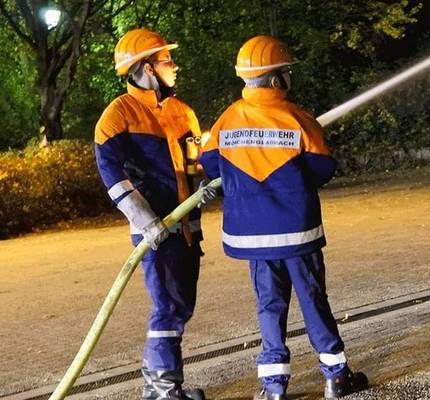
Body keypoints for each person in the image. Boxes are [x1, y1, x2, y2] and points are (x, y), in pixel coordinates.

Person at [198, 35, 368, 400]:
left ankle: (273, 386)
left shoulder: (227, 120)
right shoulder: (298, 119)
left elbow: (210, 164)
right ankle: (336, 377)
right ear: (276, 78)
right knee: (313, 300)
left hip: (253, 237)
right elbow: (322, 168)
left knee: (269, 306)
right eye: (286, 72)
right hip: (297, 233)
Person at [94, 28, 213, 400]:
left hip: (187, 231)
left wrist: (204, 181)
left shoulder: (182, 111)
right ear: (147, 68)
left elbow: (193, 163)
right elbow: (112, 175)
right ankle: (161, 388)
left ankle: (165, 384)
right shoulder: (118, 115)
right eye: (167, 60)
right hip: (157, 232)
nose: (174, 66)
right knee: (167, 307)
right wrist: (145, 221)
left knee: (180, 306)